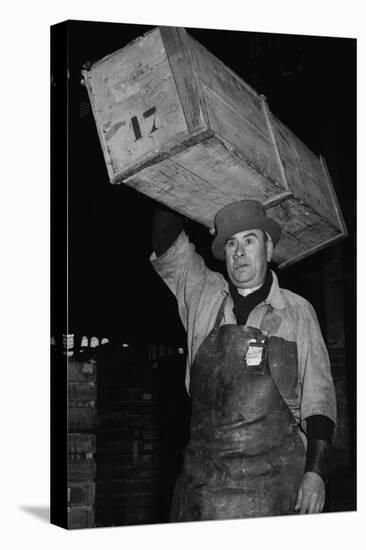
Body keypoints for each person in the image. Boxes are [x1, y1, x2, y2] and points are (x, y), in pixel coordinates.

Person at [150, 199, 336, 521]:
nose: (239, 252)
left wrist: (316, 473)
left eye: (249, 240)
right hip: (203, 492)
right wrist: (175, 178)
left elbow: (318, 401)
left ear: (268, 246)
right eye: (231, 244)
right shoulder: (203, 295)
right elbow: (167, 242)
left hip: (278, 490)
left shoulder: (297, 312)